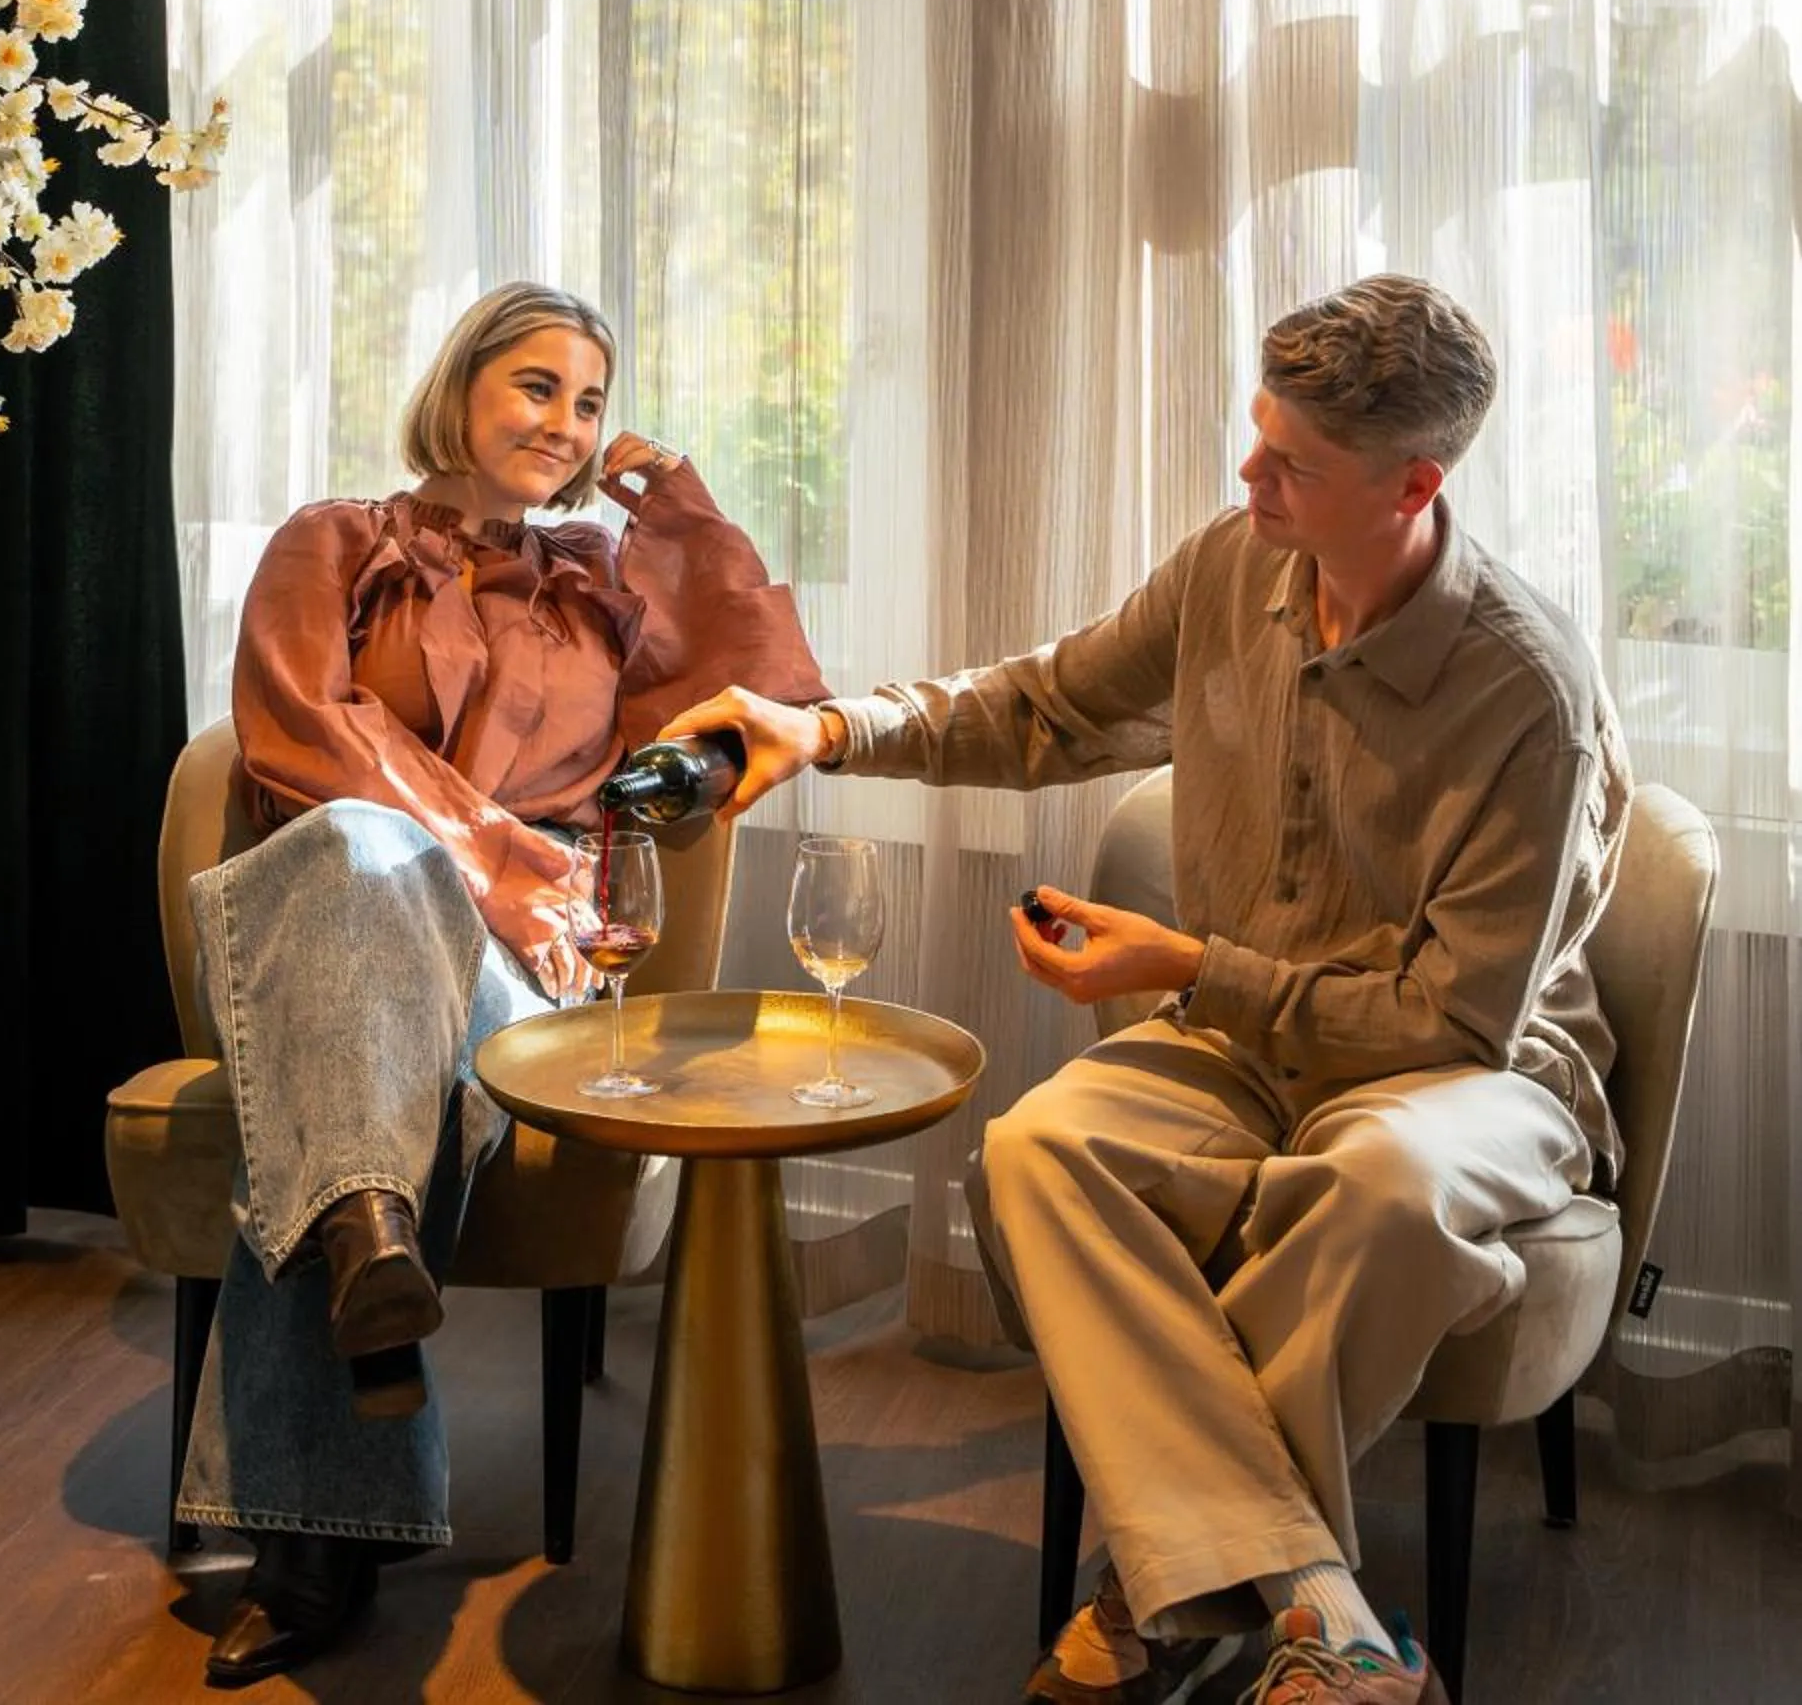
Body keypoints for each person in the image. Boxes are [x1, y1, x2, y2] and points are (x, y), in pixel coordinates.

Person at [667, 276, 1630, 1705]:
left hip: (1469, 1073)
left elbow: (1450, 1021)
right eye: (1256, 437)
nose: (1249, 478)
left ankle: (1158, 1589)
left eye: (1291, 464)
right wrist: (822, 730)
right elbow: (1046, 705)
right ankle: (1319, 1607)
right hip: (1239, 1044)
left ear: (1412, 485)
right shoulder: (1229, 571)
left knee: (1380, 1189)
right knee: (1036, 1150)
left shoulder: (1526, 697)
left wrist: (1182, 965)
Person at [177, 281, 824, 1689]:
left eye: (588, 401)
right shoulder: (335, 541)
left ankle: (322, 1478)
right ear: (463, 386)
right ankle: (366, 1229)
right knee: (357, 847)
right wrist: (474, 848)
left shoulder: (600, 582)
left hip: (529, 967)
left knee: (337, 1022)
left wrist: (680, 504)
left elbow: (763, 705)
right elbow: (294, 731)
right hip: (337, 915)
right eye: (536, 386)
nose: (565, 422)